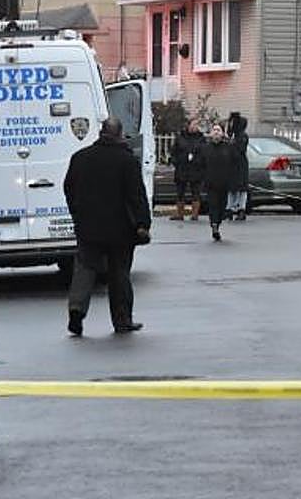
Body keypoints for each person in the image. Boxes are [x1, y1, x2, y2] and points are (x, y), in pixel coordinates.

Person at [63, 116, 151, 335]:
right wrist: (143, 223)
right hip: (120, 230)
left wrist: (77, 214)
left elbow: (69, 189)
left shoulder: (80, 158)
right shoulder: (127, 161)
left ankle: (76, 310)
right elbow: (136, 195)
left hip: (88, 228)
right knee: (119, 274)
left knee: (84, 269)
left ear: (101, 132)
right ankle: (122, 320)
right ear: (120, 134)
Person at [170, 119, 207, 221]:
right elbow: (173, 152)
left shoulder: (201, 138)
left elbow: (204, 153)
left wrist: (199, 162)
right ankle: (180, 214)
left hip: (196, 169)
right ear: (189, 125)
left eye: (197, 125)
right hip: (182, 168)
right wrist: (176, 162)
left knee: (196, 192)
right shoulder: (180, 137)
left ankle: (194, 214)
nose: (196, 126)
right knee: (180, 192)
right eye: (194, 124)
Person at [203, 123, 234, 241]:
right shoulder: (206, 147)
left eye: (218, 130)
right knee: (213, 205)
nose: (216, 132)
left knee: (222, 206)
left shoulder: (228, 147)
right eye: (214, 130)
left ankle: (218, 222)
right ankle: (214, 226)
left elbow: (234, 162)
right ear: (211, 133)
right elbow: (201, 164)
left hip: (225, 182)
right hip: (211, 182)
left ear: (222, 133)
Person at [225, 112, 250, 221]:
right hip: (231, 165)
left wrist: (230, 145)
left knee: (241, 188)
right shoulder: (232, 136)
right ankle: (229, 208)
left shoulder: (242, 136)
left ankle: (241, 209)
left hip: (240, 165)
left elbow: (238, 151)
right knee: (231, 188)